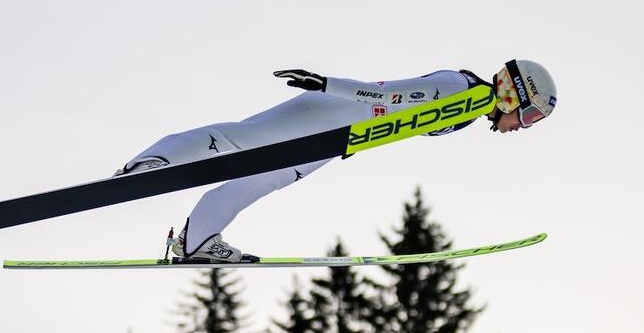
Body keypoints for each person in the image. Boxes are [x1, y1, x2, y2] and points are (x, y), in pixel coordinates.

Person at [117, 60, 558, 263]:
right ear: (512, 93)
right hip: (330, 112)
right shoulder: (460, 91)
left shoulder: (469, 109)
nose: (525, 125)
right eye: (531, 113)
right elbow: (386, 96)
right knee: (241, 141)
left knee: (262, 180)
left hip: (336, 139)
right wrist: (327, 84)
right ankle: (153, 163)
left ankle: (198, 240)